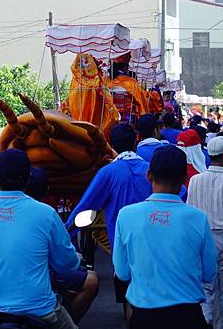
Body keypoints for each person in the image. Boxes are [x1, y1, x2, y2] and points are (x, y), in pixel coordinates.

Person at [0, 149, 80, 329]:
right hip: (38, 312)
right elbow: (66, 264)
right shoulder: (46, 214)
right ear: (28, 179)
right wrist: (76, 258)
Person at [113, 146, 218, 329]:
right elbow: (209, 273)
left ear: (149, 175)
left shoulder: (126, 215)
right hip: (188, 316)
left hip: (144, 316)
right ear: (185, 179)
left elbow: (122, 273)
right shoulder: (198, 218)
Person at [65, 123, 155, 322]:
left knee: (130, 300)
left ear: (111, 144)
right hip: (156, 246)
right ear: (136, 140)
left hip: (122, 248)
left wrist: (65, 234)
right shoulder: (151, 170)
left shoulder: (108, 173)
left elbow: (86, 208)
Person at [25, 167, 99, 324]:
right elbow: (66, 263)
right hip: (36, 299)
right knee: (91, 281)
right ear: (46, 189)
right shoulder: (48, 214)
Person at [188, 136, 223, 329]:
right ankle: (222, 326)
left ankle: (205, 320)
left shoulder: (195, 181)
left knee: (204, 284)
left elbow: (190, 212)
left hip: (201, 238)